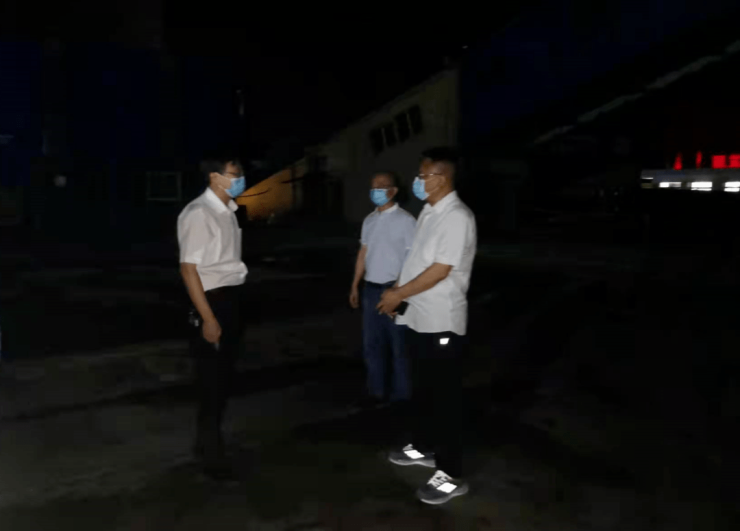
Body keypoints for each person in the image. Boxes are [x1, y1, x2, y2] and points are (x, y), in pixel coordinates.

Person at [377, 147, 477, 505]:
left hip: (441, 323)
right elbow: (417, 261)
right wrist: (398, 295)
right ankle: (423, 447)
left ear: (441, 178)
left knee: (444, 399)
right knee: (422, 390)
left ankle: (451, 474)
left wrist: (398, 294)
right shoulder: (430, 212)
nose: (417, 182)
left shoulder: (457, 217)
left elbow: (440, 270)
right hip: (419, 317)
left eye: (423, 176)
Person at [177, 156, 248, 481]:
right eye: (234, 174)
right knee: (211, 381)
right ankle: (211, 455)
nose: (240, 179)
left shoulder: (228, 211)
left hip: (230, 299)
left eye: (240, 174)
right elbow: (188, 269)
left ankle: (205, 443)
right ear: (214, 177)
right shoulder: (199, 213)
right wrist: (208, 318)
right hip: (211, 301)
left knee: (222, 379)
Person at [350, 172, 416, 408]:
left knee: (399, 346)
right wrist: (355, 285)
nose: (375, 191)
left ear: (393, 191)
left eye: (381, 186)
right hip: (370, 290)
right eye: (373, 187)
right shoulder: (369, 220)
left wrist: (398, 291)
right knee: (372, 345)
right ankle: (376, 392)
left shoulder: (406, 220)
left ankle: (402, 396)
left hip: (394, 290)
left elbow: (412, 258)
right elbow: (363, 253)